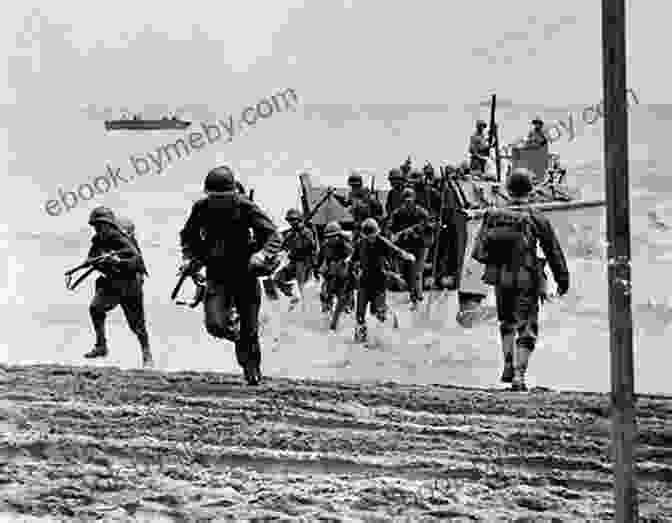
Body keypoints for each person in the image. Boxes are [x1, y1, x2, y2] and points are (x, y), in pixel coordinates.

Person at [179, 165, 283, 386]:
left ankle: (252, 368)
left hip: (245, 274)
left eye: (223, 197)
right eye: (213, 196)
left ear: (232, 193)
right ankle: (238, 337)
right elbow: (188, 236)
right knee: (215, 324)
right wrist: (190, 258)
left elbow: (273, 235)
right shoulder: (202, 207)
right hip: (217, 274)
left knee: (251, 328)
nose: (218, 201)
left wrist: (263, 254)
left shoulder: (245, 206)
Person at [471, 168, 569, 391]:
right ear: (531, 189)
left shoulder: (492, 214)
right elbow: (553, 250)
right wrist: (562, 280)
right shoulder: (536, 215)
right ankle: (519, 376)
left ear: (508, 189)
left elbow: (477, 252)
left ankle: (507, 363)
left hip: (500, 277)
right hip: (527, 277)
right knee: (526, 326)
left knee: (506, 321)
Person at [84, 206, 153, 368]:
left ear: (109, 225)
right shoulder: (98, 240)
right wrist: (94, 261)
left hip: (130, 286)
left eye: (101, 225)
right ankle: (101, 346)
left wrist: (118, 262)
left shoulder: (121, 239)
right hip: (111, 285)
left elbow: (136, 261)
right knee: (95, 308)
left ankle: (147, 354)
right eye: (95, 226)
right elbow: (91, 257)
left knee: (137, 325)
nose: (98, 229)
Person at [351, 218, 415, 342]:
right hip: (364, 282)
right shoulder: (360, 244)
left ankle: (390, 320)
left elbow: (395, 251)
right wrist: (350, 263)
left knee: (378, 312)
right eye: (367, 236)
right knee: (360, 314)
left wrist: (406, 256)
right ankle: (360, 338)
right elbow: (353, 258)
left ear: (377, 233)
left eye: (373, 236)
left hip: (379, 281)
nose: (370, 238)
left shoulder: (382, 242)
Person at [388, 188, 433, 307]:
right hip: (405, 246)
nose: (408, 202)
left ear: (414, 199)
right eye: (406, 200)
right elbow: (391, 228)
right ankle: (415, 294)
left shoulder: (422, 212)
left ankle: (417, 295)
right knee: (409, 272)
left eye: (410, 199)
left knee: (418, 271)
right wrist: (400, 234)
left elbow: (429, 228)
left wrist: (416, 232)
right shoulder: (398, 213)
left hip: (420, 246)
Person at [271, 208, 316, 305]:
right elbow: (282, 246)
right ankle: (293, 295)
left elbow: (312, 246)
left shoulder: (307, 232)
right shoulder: (290, 234)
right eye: (290, 220)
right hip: (293, 263)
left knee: (302, 287)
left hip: (304, 263)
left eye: (293, 220)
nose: (291, 222)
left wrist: (302, 234)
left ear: (299, 219)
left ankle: (305, 306)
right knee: (277, 279)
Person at [317, 221, 354, 315]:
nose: (331, 239)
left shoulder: (344, 245)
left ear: (339, 236)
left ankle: (348, 309)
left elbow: (352, 256)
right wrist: (317, 268)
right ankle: (327, 309)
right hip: (330, 273)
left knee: (344, 295)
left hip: (343, 274)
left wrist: (346, 261)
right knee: (325, 292)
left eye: (334, 236)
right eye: (329, 237)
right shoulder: (325, 246)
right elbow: (320, 258)